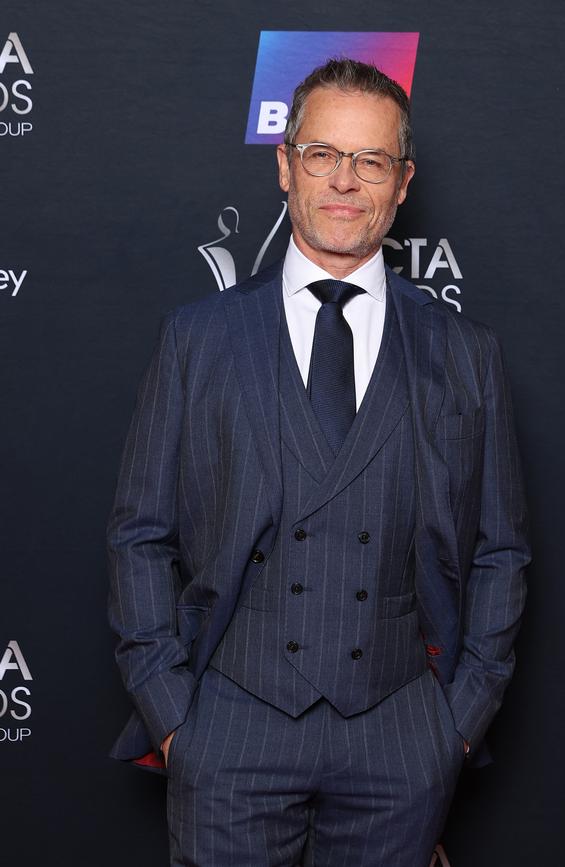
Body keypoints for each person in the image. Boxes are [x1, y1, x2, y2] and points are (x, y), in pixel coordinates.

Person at [107, 58, 530, 867]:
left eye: (370, 161)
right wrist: (173, 715)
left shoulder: (466, 354)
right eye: (322, 155)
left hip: (402, 737)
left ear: (401, 183)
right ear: (284, 164)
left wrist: (458, 722)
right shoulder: (198, 340)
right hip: (228, 727)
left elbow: (501, 551)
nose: (345, 181)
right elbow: (138, 535)